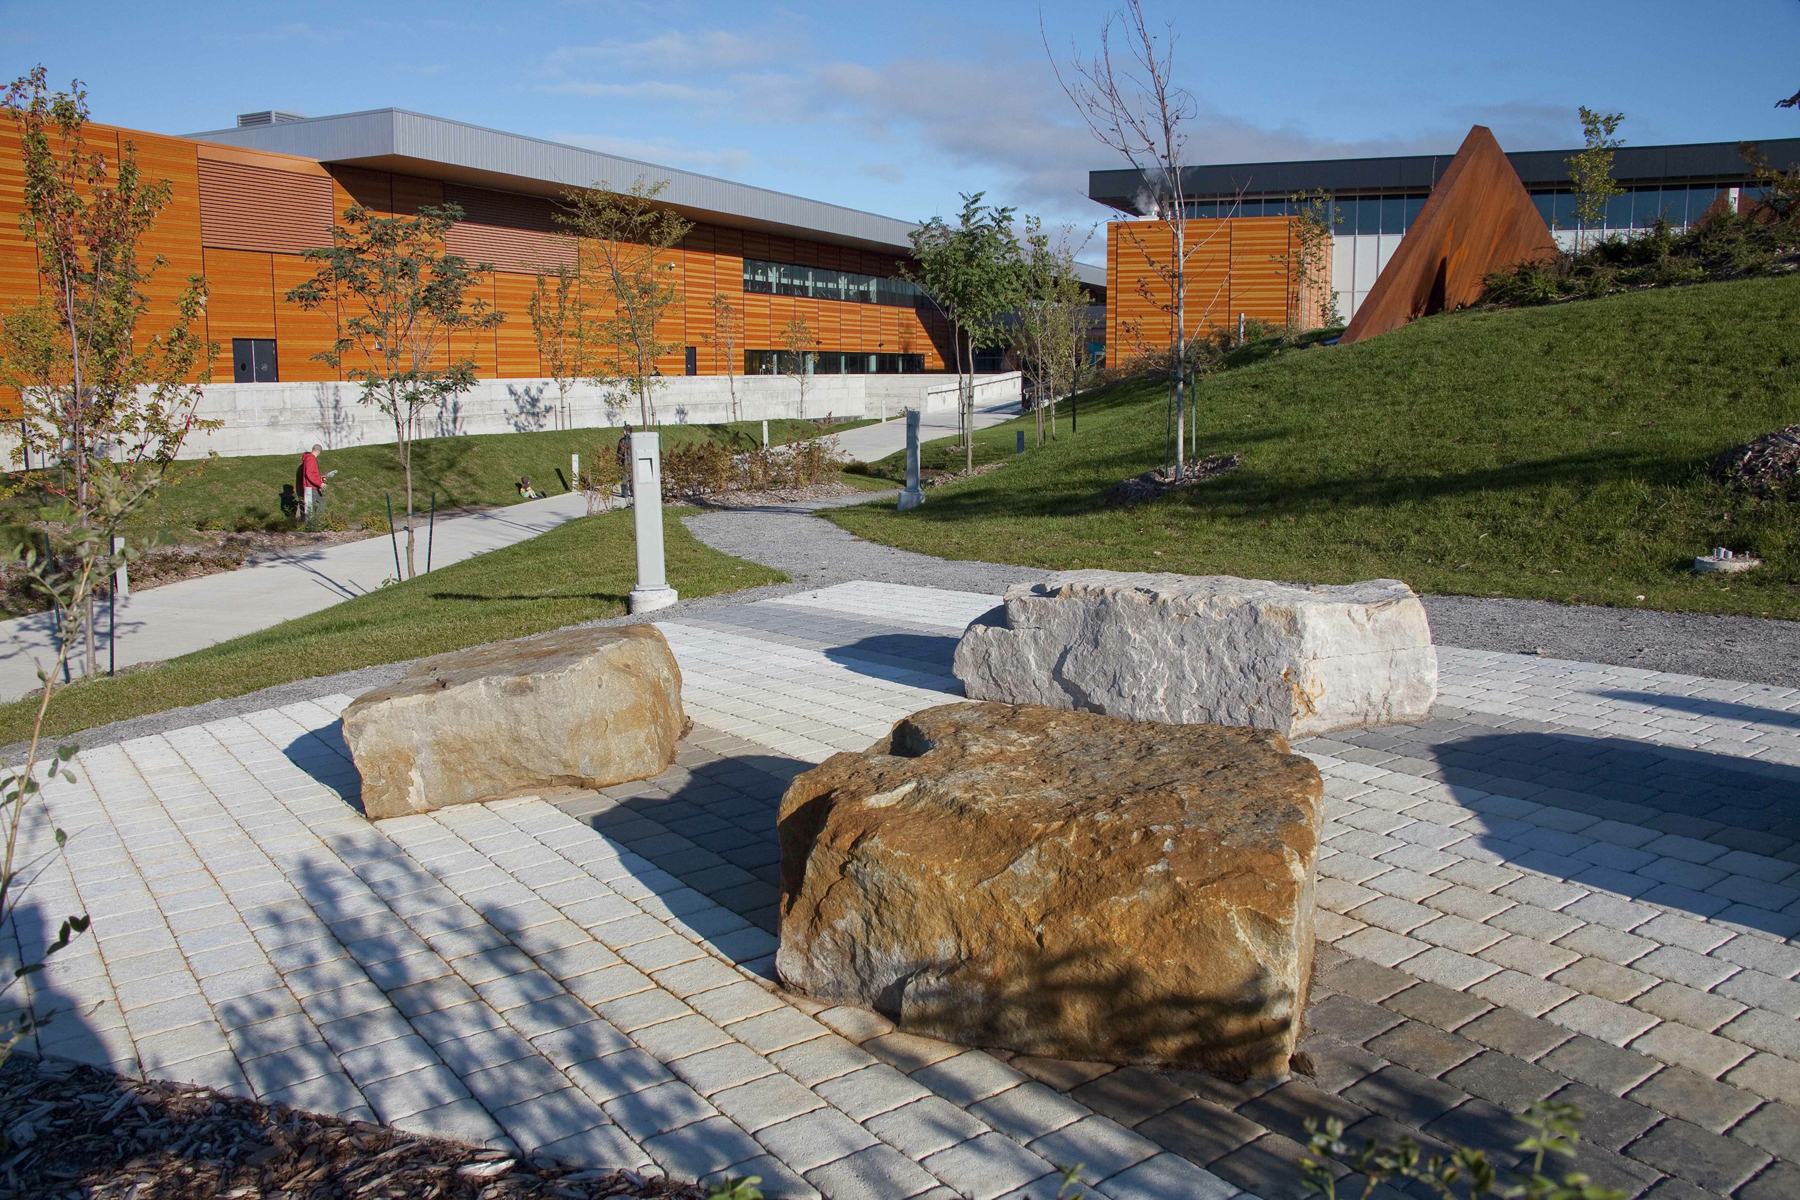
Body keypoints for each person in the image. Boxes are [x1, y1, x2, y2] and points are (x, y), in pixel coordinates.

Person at [297, 444, 326, 518]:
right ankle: (311, 523)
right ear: (318, 452)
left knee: (321, 502)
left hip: (313, 486)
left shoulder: (309, 458)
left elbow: (312, 474)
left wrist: (320, 479)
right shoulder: (310, 459)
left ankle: (315, 521)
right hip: (310, 487)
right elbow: (309, 474)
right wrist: (320, 483)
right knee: (310, 507)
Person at [617, 424, 634, 499]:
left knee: (624, 478)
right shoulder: (634, 440)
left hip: (624, 461)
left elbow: (620, 452)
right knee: (632, 477)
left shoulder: (622, 441)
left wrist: (618, 460)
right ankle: (633, 492)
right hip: (632, 461)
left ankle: (625, 493)